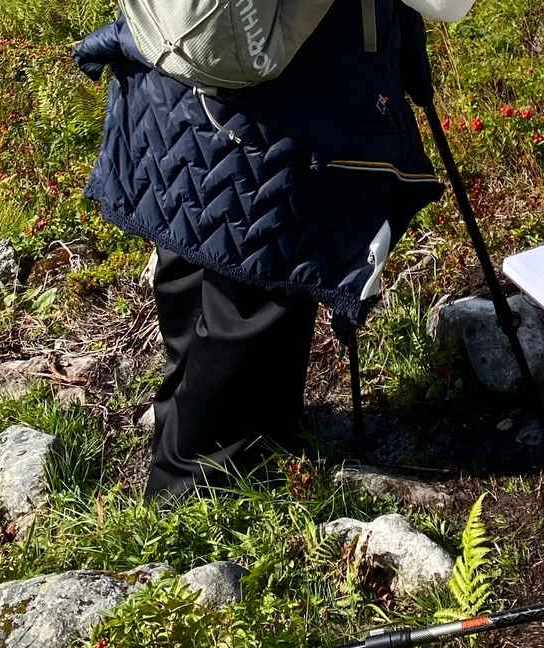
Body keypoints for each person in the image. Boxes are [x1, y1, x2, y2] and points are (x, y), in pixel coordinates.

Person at [75, 0, 471, 499]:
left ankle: (193, 440)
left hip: (166, 79)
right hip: (283, 111)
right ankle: (202, 495)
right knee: (253, 293)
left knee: (193, 257)